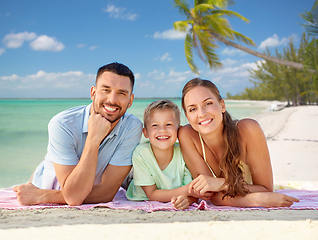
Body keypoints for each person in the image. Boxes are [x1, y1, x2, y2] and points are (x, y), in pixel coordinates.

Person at [13, 62, 143, 206]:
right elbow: (74, 198)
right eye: (106, 90)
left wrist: (44, 196)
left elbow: (106, 193)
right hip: (46, 184)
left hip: (55, 192)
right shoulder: (62, 124)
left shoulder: (132, 126)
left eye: (121, 93)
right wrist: (94, 138)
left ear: (130, 100)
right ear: (93, 93)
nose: (112, 100)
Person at [178, 78, 299, 208]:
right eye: (192, 109)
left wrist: (220, 184)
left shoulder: (248, 129)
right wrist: (256, 200)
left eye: (208, 103)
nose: (202, 113)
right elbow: (212, 195)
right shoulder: (187, 135)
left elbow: (265, 189)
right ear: (187, 116)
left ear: (222, 105)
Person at [125, 100, 201, 210]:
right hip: (143, 188)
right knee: (126, 180)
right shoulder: (141, 153)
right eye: (155, 125)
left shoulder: (184, 152)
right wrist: (188, 190)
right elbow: (152, 195)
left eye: (169, 124)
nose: (162, 130)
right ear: (145, 132)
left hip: (168, 188)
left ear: (179, 130)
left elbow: (193, 195)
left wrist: (186, 201)